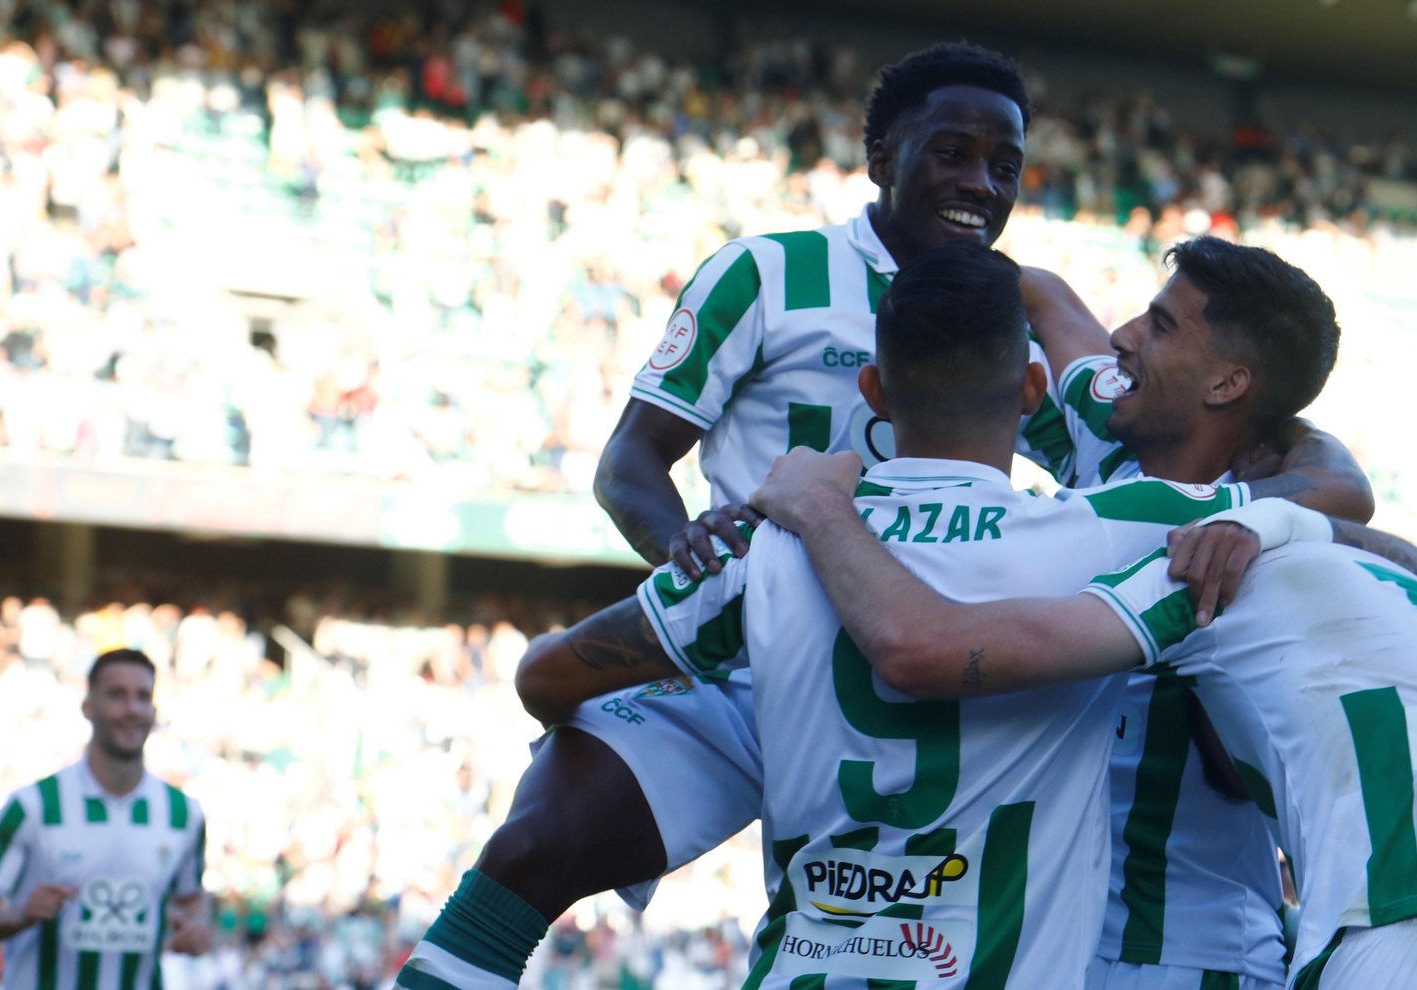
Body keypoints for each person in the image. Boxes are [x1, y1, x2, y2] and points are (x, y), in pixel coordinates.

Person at [505, 242, 1314, 989]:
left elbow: (548, 672)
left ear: (874, 393)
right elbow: (1334, 503)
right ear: (1033, 392)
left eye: (1159, 323)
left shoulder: (768, 545)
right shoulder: (1105, 532)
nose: (1126, 337)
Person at [750, 457, 1417, 988]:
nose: (1122, 342)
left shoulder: (1229, 563)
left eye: (1159, 326)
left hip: (1409, 942)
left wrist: (818, 506)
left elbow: (928, 650)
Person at [0, 649, 211, 990]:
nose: (132, 709)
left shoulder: (184, 814)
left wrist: (196, 930)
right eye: (117, 695)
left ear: (154, 710)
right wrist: (23, 914)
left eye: (143, 696)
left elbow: (191, 901)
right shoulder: (31, 807)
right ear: (87, 706)